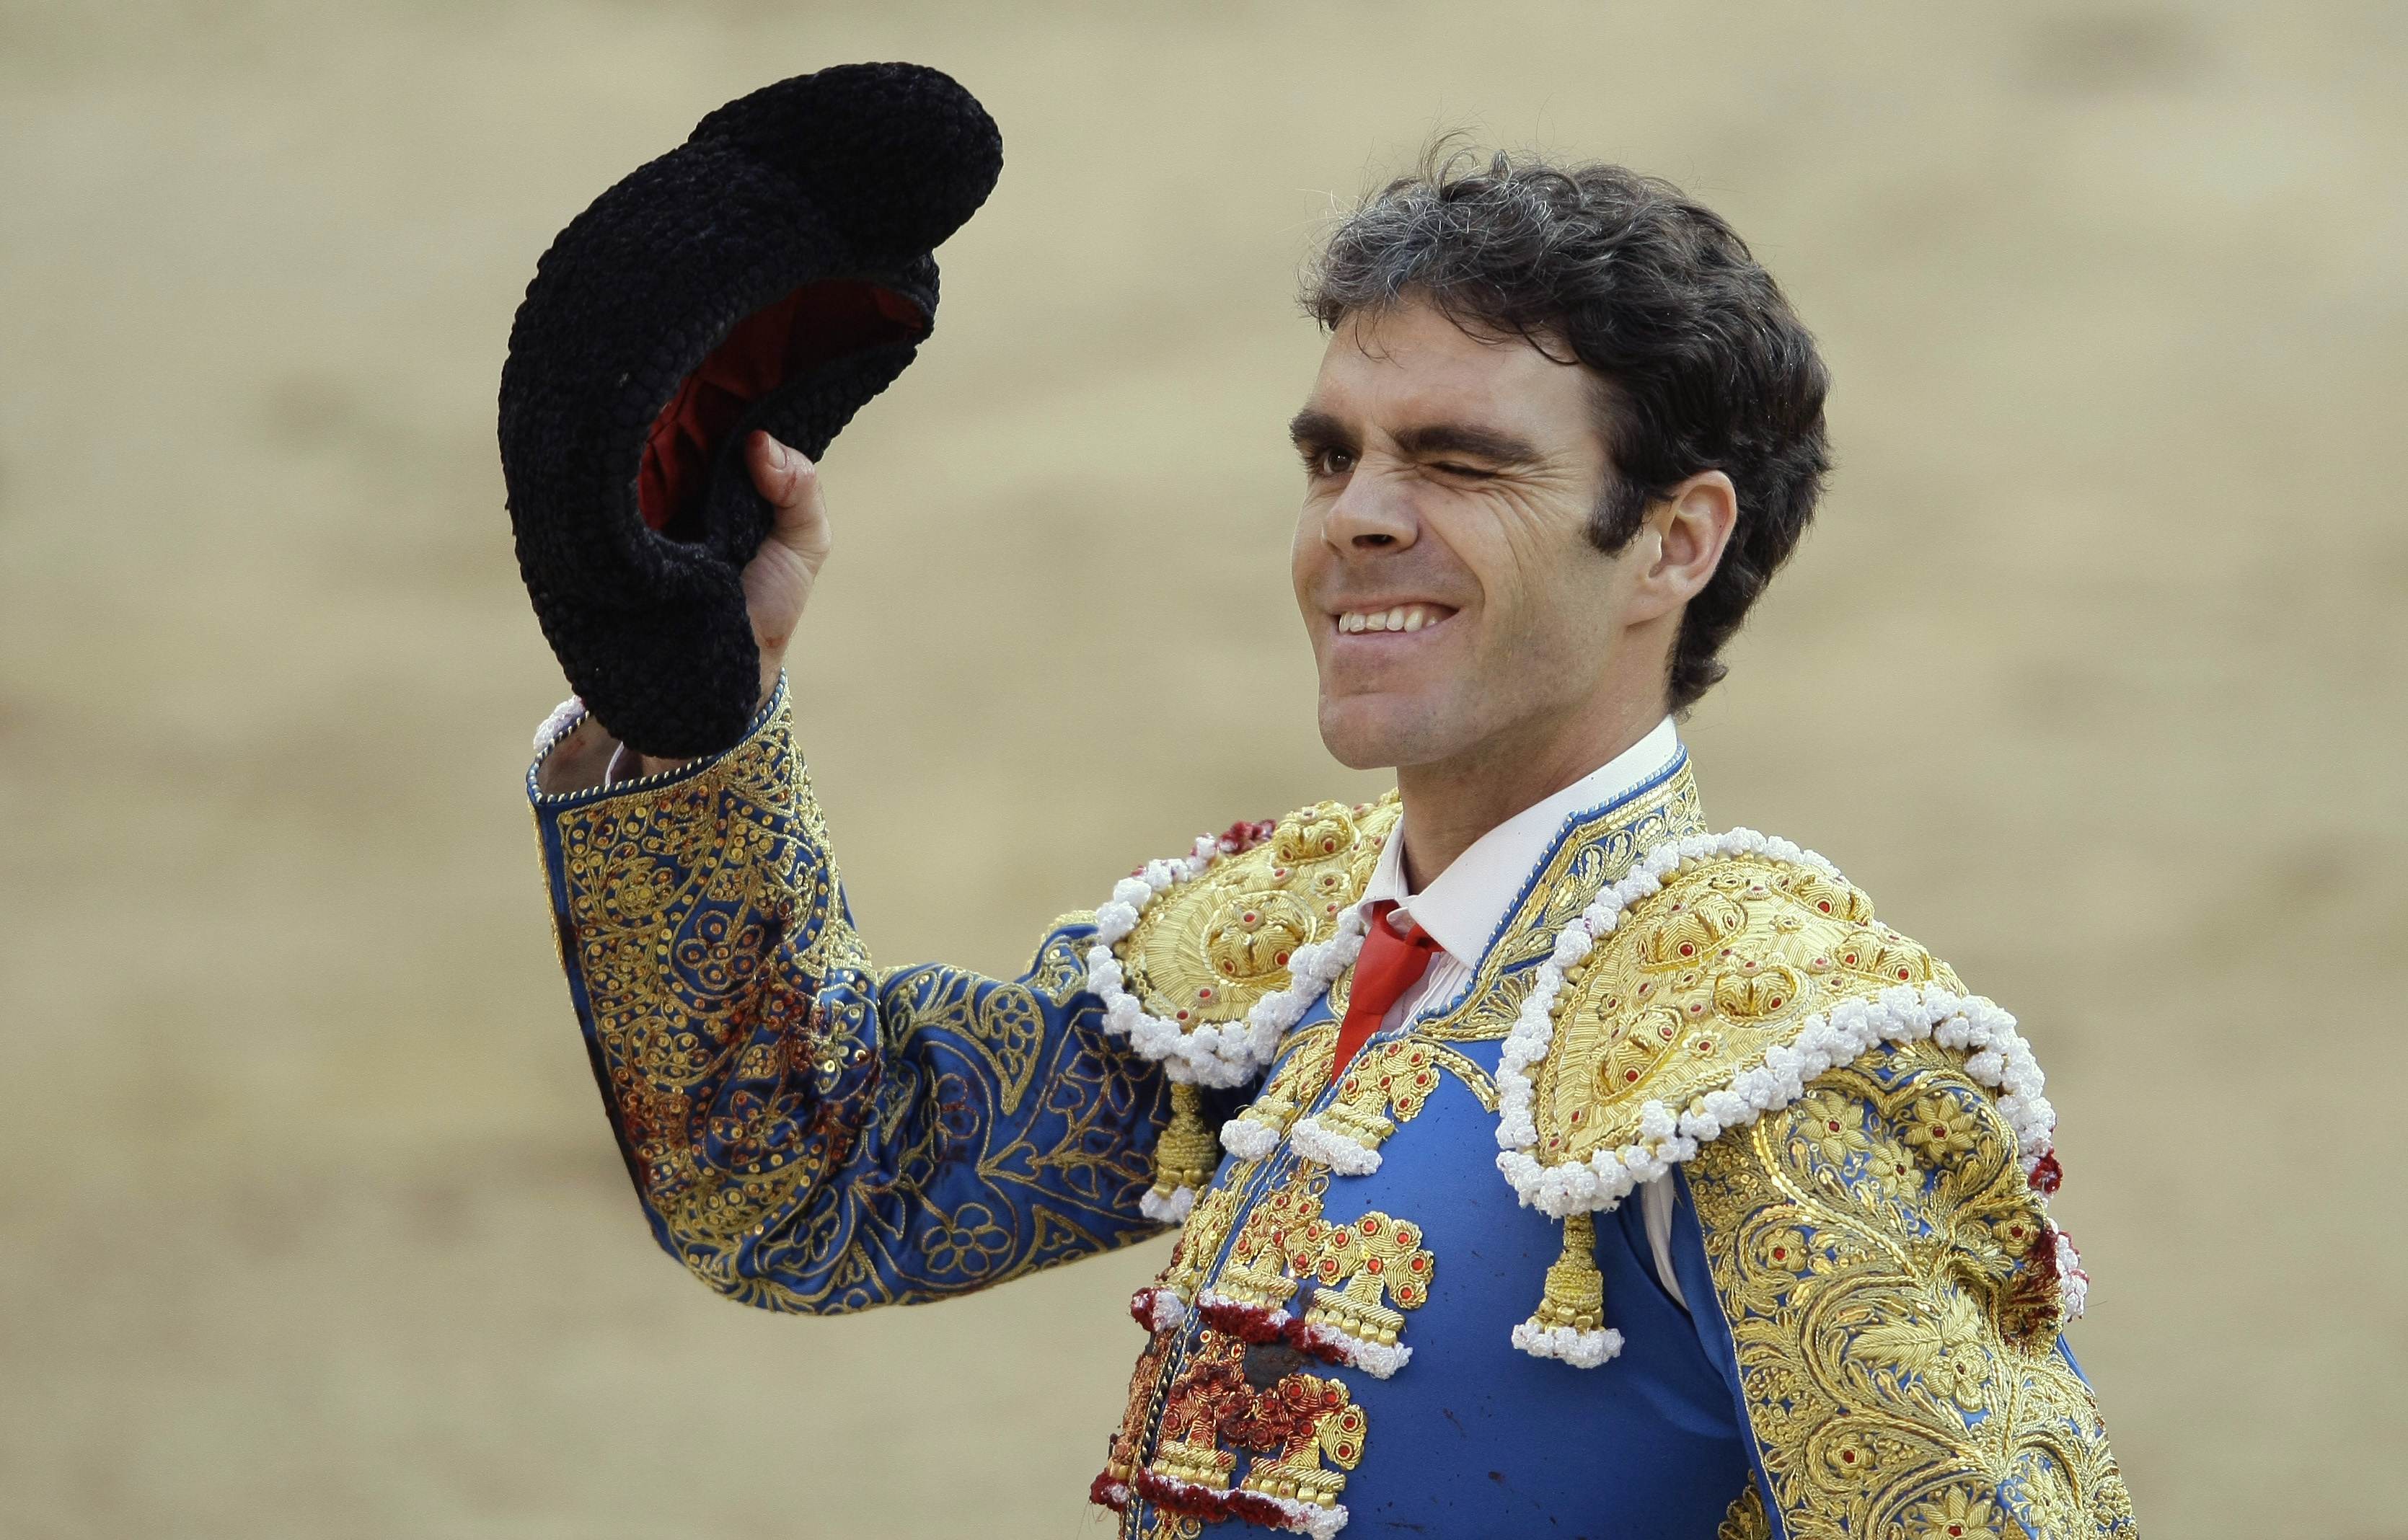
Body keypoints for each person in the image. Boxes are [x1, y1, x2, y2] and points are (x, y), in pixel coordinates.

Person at [526, 151, 2135, 1539]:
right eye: (1330, 454)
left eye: (1458, 461)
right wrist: (686, 696)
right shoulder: (1285, 943)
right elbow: (809, 1188)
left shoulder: (1771, 1049)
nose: (1355, 517)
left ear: (1674, 540)